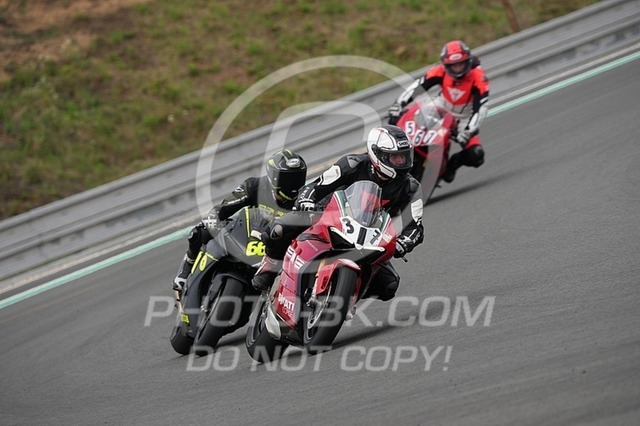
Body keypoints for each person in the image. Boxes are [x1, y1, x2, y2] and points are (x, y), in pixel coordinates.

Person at [252, 125, 424, 302]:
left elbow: (416, 226)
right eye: (395, 157)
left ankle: (345, 296)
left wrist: (404, 242)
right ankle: (271, 264)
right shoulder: (352, 164)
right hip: (326, 215)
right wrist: (306, 200)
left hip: (369, 237)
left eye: (404, 156)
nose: (401, 162)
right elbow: (317, 185)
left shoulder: (410, 187)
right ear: (377, 154)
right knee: (278, 230)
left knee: (388, 285)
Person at [171, 149, 308, 294]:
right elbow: (225, 207)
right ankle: (184, 273)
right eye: (287, 179)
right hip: (247, 235)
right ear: (273, 177)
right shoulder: (254, 185)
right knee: (200, 231)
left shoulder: (305, 199)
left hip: (275, 249)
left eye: (297, 179)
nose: (292, 185)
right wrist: (212, 220)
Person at [388, 40, 489, 183]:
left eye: (461, 64)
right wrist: (399, 103)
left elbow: (481, 107)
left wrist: (469, 130)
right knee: (399, 119)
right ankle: (391, 151)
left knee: (476, 155)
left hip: (464, 118)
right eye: (453, 65)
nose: (458, 69)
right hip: (440, 107)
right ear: (446, 65)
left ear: (468, 61)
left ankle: (451, 165)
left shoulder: (479, 77)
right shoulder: (440, 70)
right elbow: (418, 86)